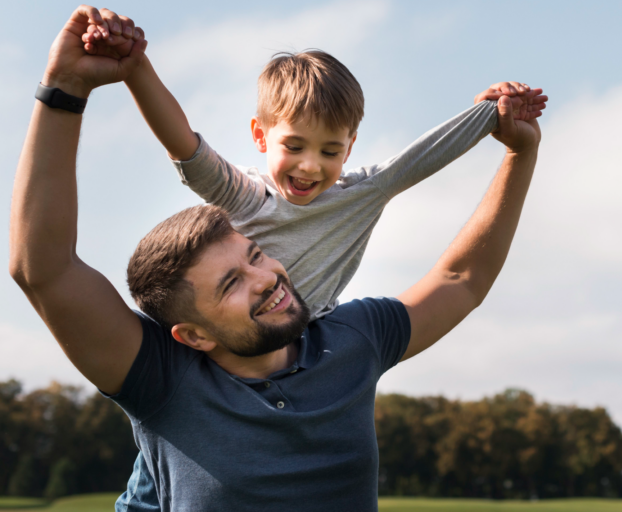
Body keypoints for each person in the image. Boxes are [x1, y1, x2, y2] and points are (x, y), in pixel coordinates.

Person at [10, 6, 543, 512]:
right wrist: (66, 87)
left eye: (257, 253)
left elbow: (462, 278)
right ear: (192, 334)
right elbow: (44, 269)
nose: (266, 279)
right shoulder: (161, 378)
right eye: (229, 284)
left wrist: (519, 152)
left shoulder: (352, 341)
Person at [80, 9, 546, 322]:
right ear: (261, 136)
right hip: (213, 349)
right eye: (294, 145)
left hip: (302, 347)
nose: (308, 166)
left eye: (328, 151)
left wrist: (493, 112)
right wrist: (134, 66)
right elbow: (184, 145)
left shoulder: (362, 194)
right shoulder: (245, 195)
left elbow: (425, 155)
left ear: (349, 148)